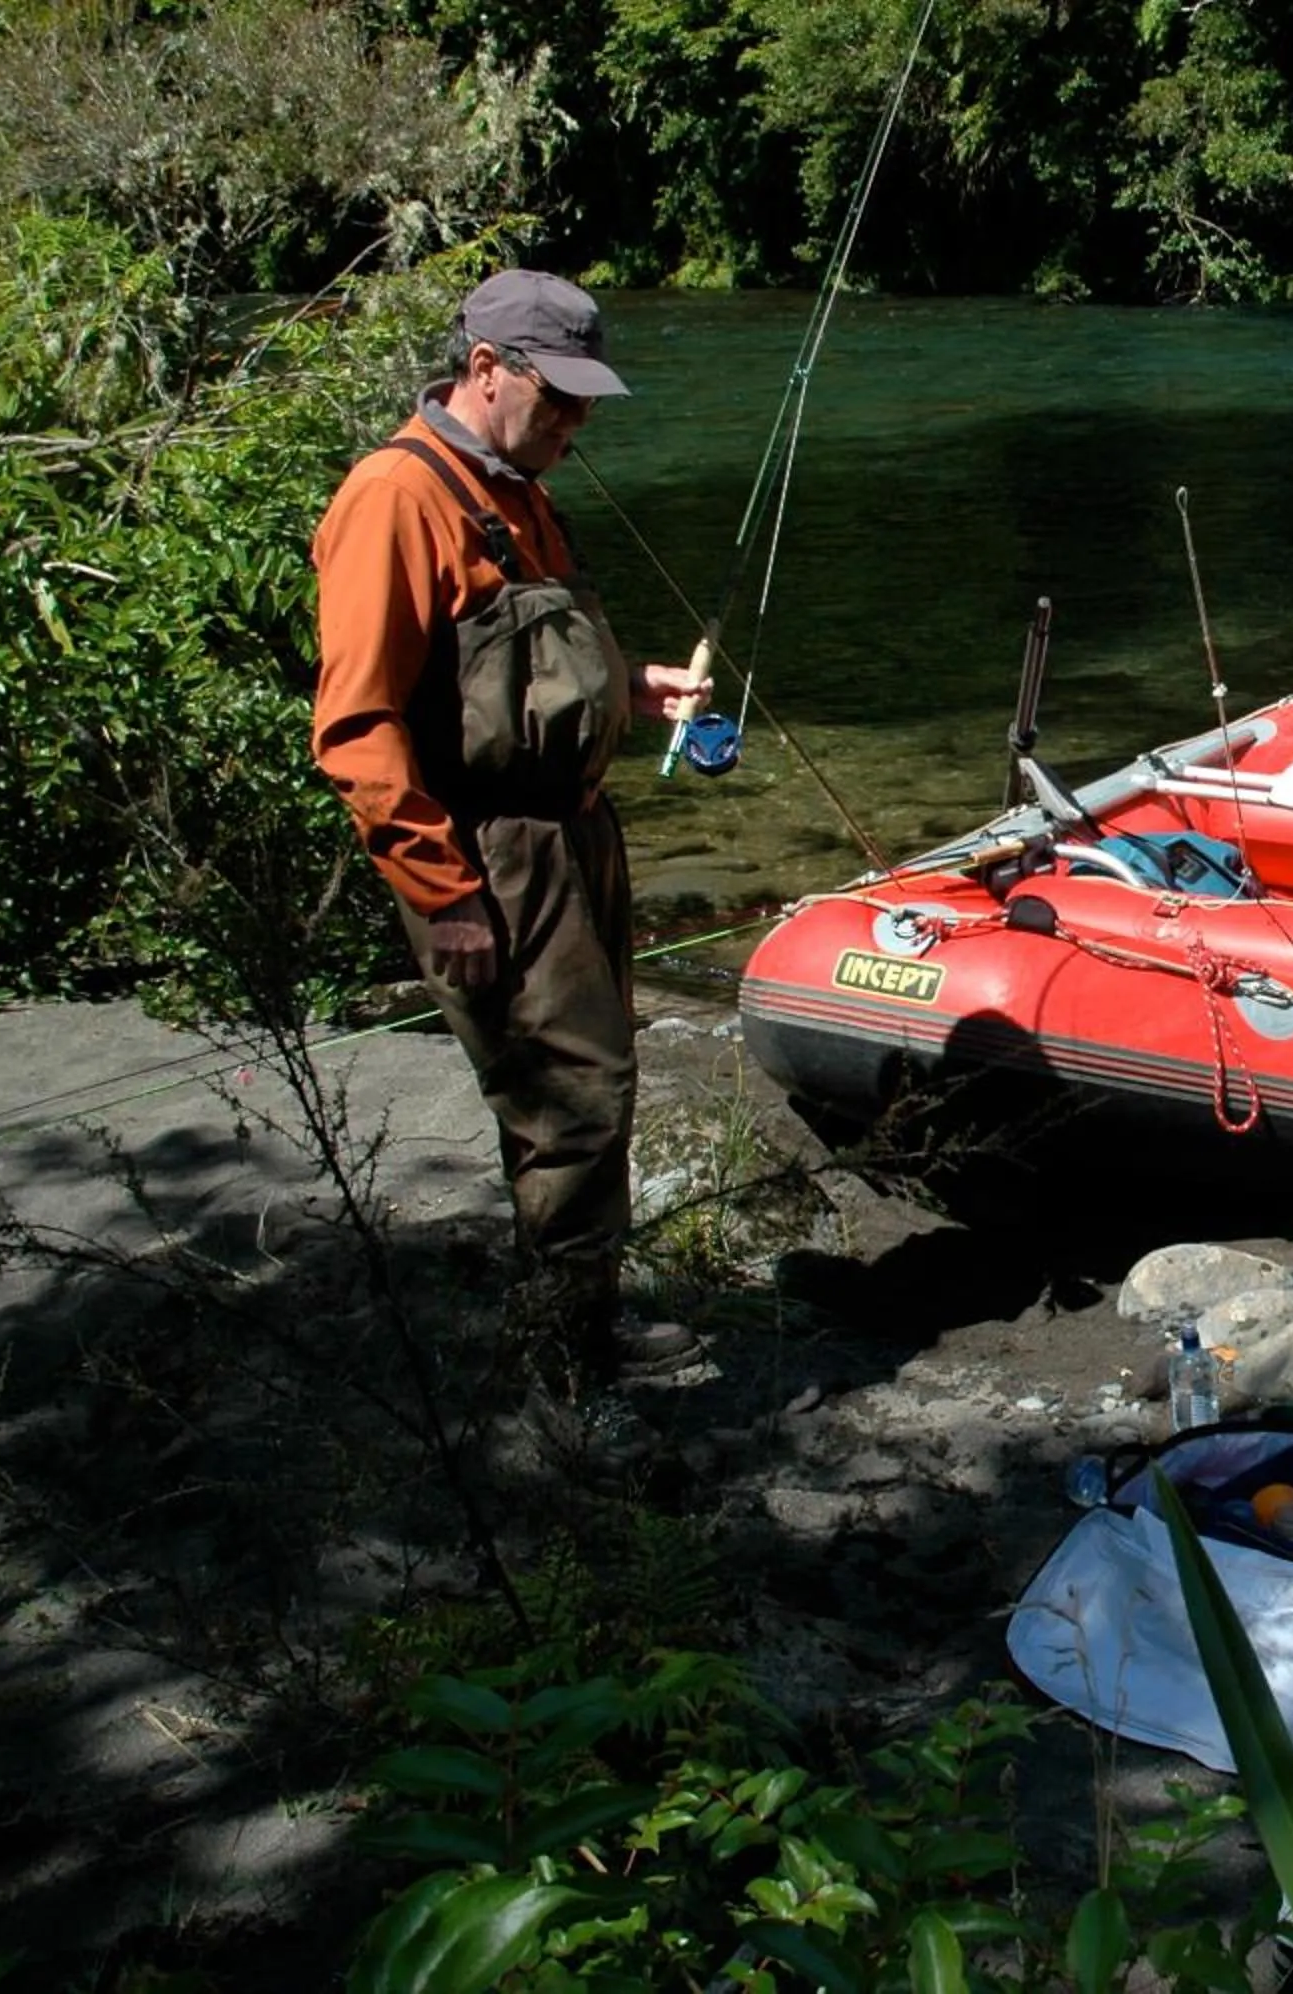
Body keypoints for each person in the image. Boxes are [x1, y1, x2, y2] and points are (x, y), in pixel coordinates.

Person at [310, 270, 711, 1394]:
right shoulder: (396, 499)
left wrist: (628, 687)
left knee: (590, 1089)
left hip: (574, 836)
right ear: (486, 369)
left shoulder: (516, 483)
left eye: (588, 402)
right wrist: (444, 891)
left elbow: (505, 669)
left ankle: (575, 1320)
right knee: (572, 1103)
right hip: (492, 857)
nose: (577, 423)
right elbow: (356, 727)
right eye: (560, 398)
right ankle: (564, 1375)